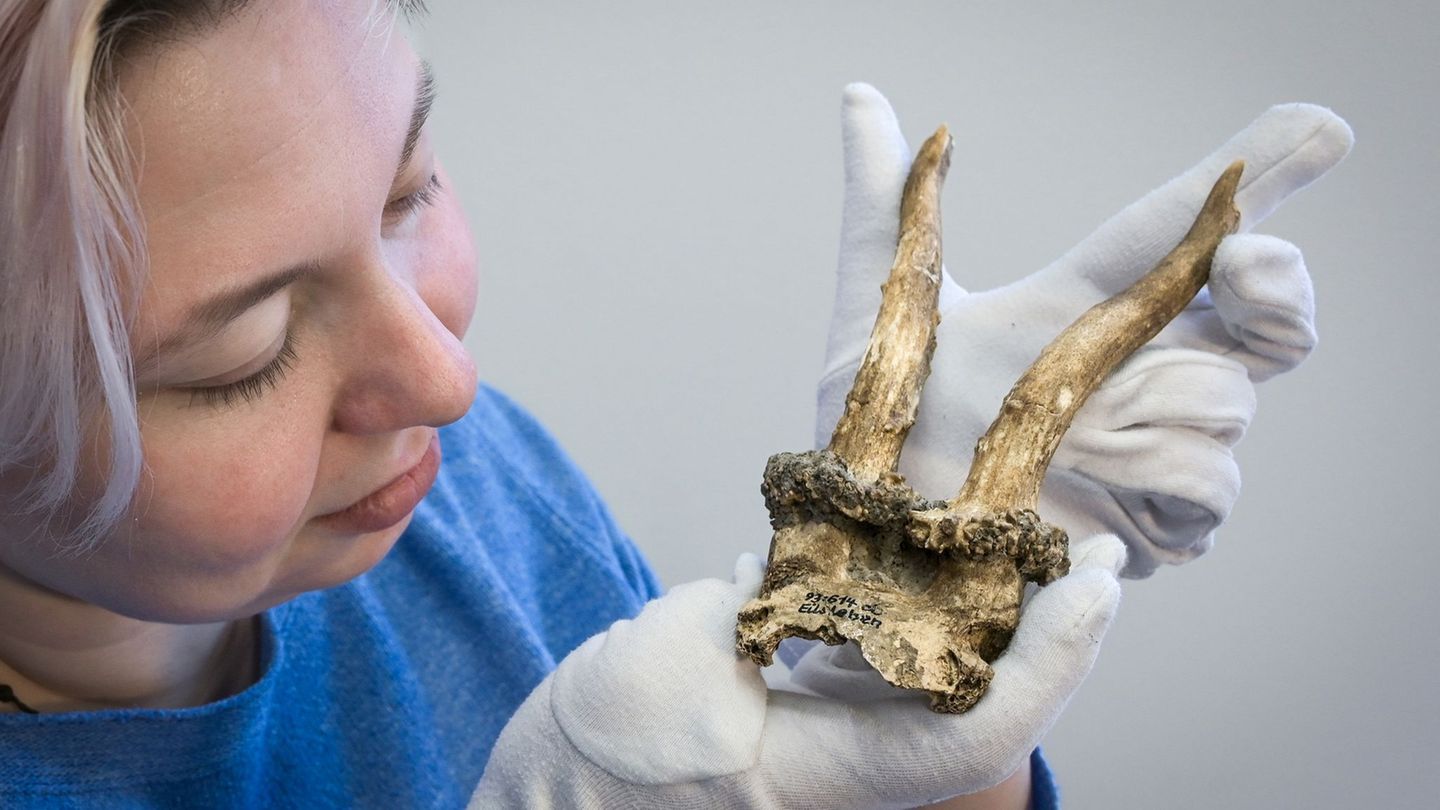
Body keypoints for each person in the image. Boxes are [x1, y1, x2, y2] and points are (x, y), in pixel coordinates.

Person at [0, 1, 1350, 808]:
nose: (444, 382)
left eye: (409, 190)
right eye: (241, 352)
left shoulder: (460, 495)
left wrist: (917, 732)